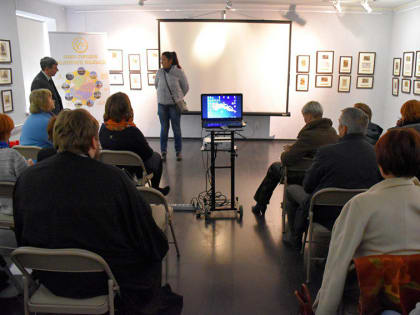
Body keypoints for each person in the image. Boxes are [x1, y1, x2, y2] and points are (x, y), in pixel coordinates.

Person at [13, 109, 182, 314]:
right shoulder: (113, 179)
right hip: (104, 280)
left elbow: (22, 234)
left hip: (51, 278)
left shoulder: (27, 179)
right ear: (93, 142)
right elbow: (146, 233)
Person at [314, 128, 420, 315]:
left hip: (376, 303)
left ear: (380, 163)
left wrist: (323, 310)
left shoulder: (361, 205)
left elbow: (337, 265)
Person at [284, 107, 382, 249]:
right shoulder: (375, 153)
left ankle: (295, 238)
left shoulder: (326, 152)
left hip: (326, 213)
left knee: (291, 190)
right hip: (361, 213)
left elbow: (308, 185)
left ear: (344, 129)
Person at [252, 101, 339, 216]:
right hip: (326, 175)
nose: (304, 119)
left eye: (304, 116)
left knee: (275, 168)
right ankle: (262, 204)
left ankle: (260, 205)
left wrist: (286, 152)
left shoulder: (309, 134)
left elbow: (287, 160)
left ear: (309, 115)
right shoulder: (332, 132)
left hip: (305, 175)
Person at [99, 92, 170, 195]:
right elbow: (148, 154)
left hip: (114, 169)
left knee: (134, 157)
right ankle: (155, 189)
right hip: (134, 167)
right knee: (157, 158)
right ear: (127, 109)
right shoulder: (133, 132)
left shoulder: (103, 130)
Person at [155, 51, 189, 161]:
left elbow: (186, 87)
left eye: (164, 60)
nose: (162, 62)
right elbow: (156, 85)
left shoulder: (178, 72)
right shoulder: (159, 72)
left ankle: (178, 152)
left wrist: (178, 97)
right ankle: (163, 152)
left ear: (170, 61)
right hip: (162, 105)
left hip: (174, 106)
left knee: (176, 129)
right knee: (164, 128)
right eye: (161, 60)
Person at [0, 113, 32, 215]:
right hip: (14, 207)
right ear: (6, 133)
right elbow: (28, 180)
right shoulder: (12, 155)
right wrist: (30, 167)